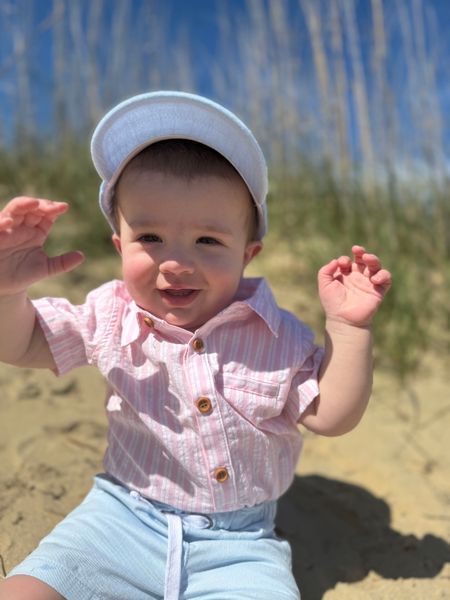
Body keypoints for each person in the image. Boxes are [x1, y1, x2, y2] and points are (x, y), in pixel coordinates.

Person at [0, 91, 391, 600]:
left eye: (208, 241)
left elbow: (330, 415)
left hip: (240, 544)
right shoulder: (111, 312)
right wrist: (8, 291)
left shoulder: (277, 335)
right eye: (151, 237)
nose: (176, 262)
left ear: (247, 254)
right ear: (120, 244)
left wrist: (349, 329)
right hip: (118, 518)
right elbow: (24, 340)